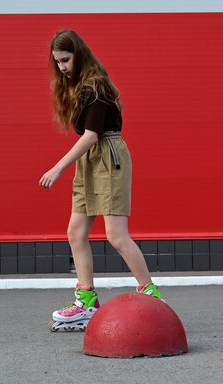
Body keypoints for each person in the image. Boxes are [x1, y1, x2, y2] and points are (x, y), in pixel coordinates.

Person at [40, 29, 163, 332]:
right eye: (57, 63)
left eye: (66, 60)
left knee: (116, 235)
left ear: (79, 55)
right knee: (75, 232)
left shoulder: (95, 86)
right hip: (89, 160)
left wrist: (58, 168)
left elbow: (92, 136)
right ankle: (86, 301)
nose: (62, 67)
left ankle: (152, 295)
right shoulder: (79, 86)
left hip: (108, 156)